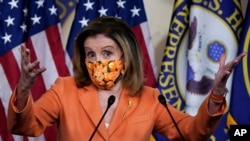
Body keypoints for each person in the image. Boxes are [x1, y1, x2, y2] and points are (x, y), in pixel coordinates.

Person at [7, 16, 246, 141]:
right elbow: (25, 126)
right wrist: (24, 90)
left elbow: (194, 133)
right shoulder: (65, 89)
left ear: (126, 56)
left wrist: (216, 93)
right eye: (90, 54)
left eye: (107, 53)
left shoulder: (150, 99)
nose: (97, 61)